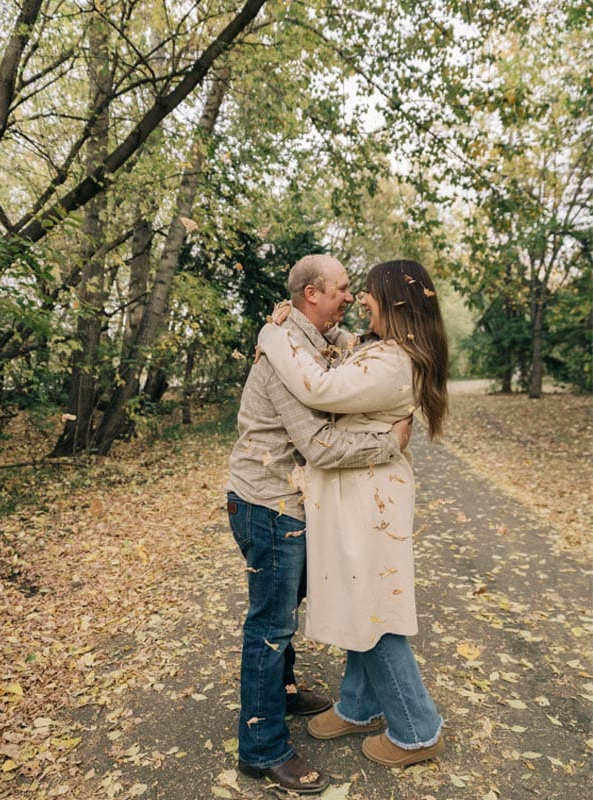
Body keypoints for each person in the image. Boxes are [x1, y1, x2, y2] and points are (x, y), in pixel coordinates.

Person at [227, 253, 412, 794]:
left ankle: (280, 696)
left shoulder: (314, 341)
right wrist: (388, 443)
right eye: (342, 290)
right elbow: (318, 444)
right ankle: (261, 751)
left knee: (284, 609)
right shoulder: (283, 353)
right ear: (311, 294)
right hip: (268, 504)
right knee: (270, 626)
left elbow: (359, 352)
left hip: (290, 504)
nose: (350, 298)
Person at [255, 258, 448, 768]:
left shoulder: (393, 363)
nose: (361, 299)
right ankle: (361, 707)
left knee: (372, 606)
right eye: (352, 289)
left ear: (394, 301)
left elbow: (320, 387)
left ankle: (417, 729)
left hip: (368, 498)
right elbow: (344, 355)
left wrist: (271, 336)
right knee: (361, 595)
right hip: (358, 493)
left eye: (368, 292)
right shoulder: (384, 350)